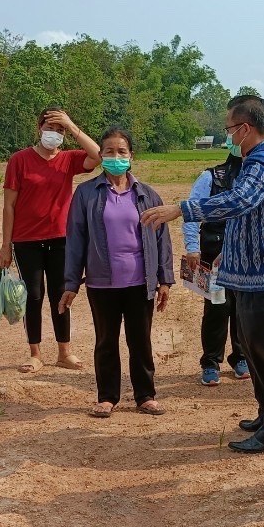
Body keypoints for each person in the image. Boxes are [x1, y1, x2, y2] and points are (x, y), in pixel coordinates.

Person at [141, 94, 264, 453]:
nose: (228, 135)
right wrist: (231, 250)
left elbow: (238, 201)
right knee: (257, 355)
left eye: (229, 129)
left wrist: (182, 209)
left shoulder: (263, 162)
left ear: (245, 128)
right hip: (250, 276)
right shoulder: (259, 159)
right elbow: (248, 216)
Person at [60, 129, 174, 418]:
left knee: (140, 341)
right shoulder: (86, 193)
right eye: (109, 152)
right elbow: (75, 239)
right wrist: (71, 283)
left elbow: (162, 239)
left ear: (131, 156)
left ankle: (145, 395)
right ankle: (107, 396)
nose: (116, 157)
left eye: (122, 152)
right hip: (102, 282)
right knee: (106, 341)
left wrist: (165, 279)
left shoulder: (147, 194)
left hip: (140, 281)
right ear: (100, 156)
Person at [0, 109, 102, 372]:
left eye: (60, 129)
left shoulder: (68, 160)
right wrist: (5, 245)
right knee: (33, 296)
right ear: (38, 128)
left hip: (62, 239)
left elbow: (98, 155)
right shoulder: (19, 160)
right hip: (26, 240)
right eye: (50, 127)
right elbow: (9, 206)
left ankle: (64, 352)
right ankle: (35, 353)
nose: (55, 133)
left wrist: (72, 125)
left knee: (61, 294)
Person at [182, 141, 250, 386]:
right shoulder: (210, 176)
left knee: (242, 307)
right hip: (213, 253)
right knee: (216, 308)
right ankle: (211, 362)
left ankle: (241, 357)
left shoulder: (254, 178)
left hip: (245, 255)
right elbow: (192, 211)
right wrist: (192, 247)